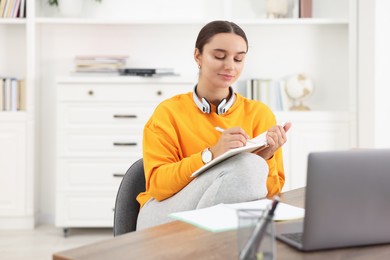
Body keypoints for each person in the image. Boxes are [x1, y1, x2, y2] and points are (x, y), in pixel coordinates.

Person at [136, 20, 292, 230]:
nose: (230, 66)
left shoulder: (259, 114)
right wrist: (212, 153)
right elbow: (159, 187)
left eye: (238, 59)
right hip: (162, 211)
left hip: (223, 216)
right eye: (219, 56)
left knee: (251, 167)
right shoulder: (168, 112)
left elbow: (270, 193)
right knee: (248, 167)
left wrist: (266, 156)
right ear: (198, 56)